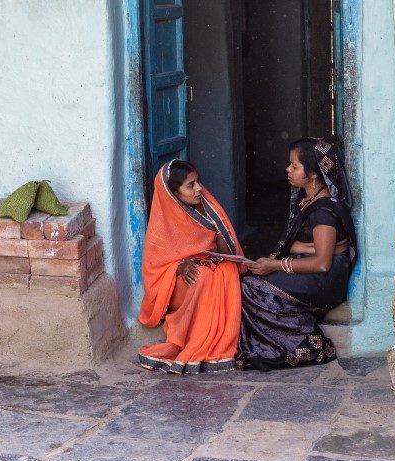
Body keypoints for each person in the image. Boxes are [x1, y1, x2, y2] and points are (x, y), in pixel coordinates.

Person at [238, 138, 358, 370]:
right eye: (289, 164)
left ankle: (308, 344)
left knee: (251, 289)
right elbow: (314, 246)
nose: (288, 169)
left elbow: (323, 263)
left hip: (326, 279)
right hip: (312, 268)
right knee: (249, 282)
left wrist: (276, 265)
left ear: (313, 174)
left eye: (295, 166)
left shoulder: (323, 210)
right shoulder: (309, 199)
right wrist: (297, 250)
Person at [138, 160, 243, 374]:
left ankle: (211, 339)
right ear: (173, 194)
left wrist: (216, 226)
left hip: (206, 269)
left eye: (198, 182)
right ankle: (188, 338)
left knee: (227, 270)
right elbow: (154, 270)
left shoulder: (207, 209)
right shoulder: (161, 226)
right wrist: (179, 266)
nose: (199, 189)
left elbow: (228, 254)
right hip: (177, 283)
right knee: (200, 276)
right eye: (190, 185)